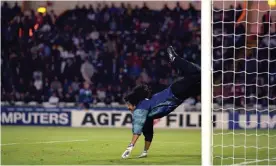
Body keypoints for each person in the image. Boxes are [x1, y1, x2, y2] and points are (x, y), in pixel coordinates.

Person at [121, 46, 201, 159]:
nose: (128, 108)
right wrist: (144, 152)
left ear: (133, 102)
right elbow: (148, 134)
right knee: (201, 79)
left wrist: (130, 148)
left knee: (198, 75)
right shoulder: (146, 114)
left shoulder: (140, 109)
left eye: (128, 105)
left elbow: (137, 130)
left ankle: (174, 59)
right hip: (179, 97)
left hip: (175, 92)